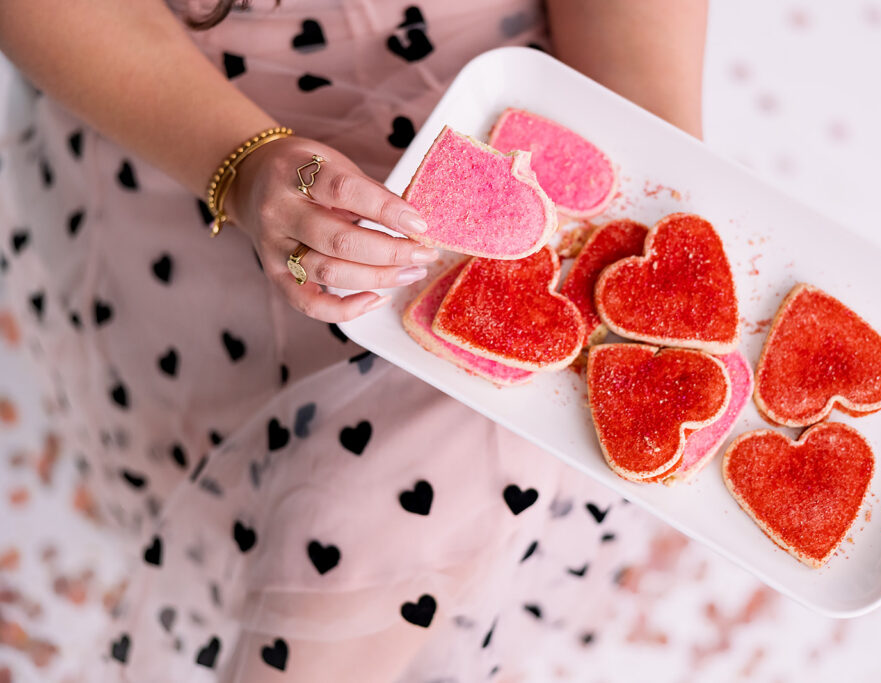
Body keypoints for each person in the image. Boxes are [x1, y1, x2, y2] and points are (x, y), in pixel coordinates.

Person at [0, 0, 708, 680]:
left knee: (483, 416)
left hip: (504, 131)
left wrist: (655, 205)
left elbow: (640, 69)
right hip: (181, 115)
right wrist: (241, 168)